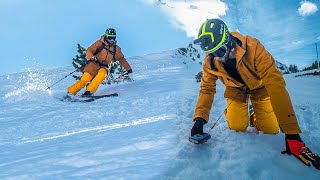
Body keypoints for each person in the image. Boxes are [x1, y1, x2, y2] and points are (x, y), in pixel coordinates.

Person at [191, 18, 319, 169]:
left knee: (270, 130)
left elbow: (275, 84)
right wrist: (199, 119)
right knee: (237, 126)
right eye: (211, 53)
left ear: (228, 41)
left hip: (259, 88)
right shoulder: (210, 61)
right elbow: (207, 88)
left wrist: (292, 134)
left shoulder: (253, 47)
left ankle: (254, 115)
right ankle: (237, 114)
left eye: (219, 51)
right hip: (235, 89)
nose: (217, 57)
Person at [67, 28, 132, 97]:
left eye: (113, 38)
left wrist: (128, 68)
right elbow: (89, 50)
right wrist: (91, 56)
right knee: (85, 79)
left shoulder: (116, 49)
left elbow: (122, 59)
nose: (112, 40)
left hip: (104, 66)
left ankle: (89, 91)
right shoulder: (99, 43)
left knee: (101, 75)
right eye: (110, 38)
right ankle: (71, 92)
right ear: (106, 37)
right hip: (93, 64)